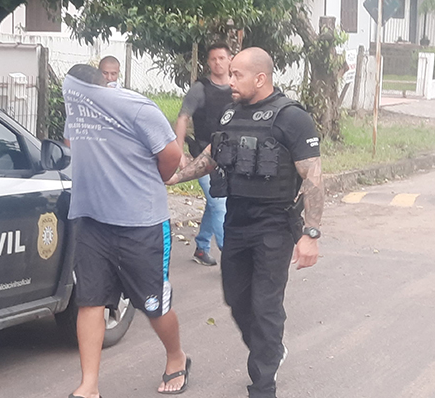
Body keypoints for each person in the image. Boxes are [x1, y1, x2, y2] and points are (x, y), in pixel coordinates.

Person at [167, 47, 323, 398]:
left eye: (237, 75)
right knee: (237, 299)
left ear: (260, 78)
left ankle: (263, 386)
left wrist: (310, 233)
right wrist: (175, 178)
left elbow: (313, 178)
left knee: (265, 305)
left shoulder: (292, 118)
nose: (230, 80)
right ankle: (271, 349)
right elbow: (212, 155)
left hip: (275, 224)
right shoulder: (230, 113)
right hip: (237, 219)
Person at [63, 64, 190, 397]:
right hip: (92, 221)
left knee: (153, 304)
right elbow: (71, 143)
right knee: (90, 302)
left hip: (142, 224)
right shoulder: (76, 111)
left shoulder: (137, 108)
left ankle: (176, 356)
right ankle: (89, 385)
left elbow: (171, 155)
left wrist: (144, 180)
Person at [174, 42, 233, 266]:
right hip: (203, 156)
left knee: (214, 202)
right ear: (208, 62)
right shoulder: (200, 89)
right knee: (219, 204)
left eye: (221, 58)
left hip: (230, 157)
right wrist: (179, 152)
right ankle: (230, 257)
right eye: (213, 59)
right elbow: (182, 118)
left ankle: (201, 247)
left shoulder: (236, 86)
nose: (217, 63)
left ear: (230, 60)